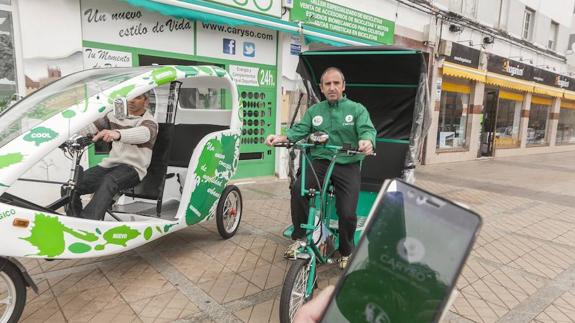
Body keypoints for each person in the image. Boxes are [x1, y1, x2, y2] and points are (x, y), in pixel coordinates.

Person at [265, 67, 376, 269]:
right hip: (320, 161)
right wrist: (282, 137)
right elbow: (299, 130)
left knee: (347, 213)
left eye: (336, 83)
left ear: (343, 86)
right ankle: (300, 239)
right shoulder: (315, 111)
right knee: (299, 191)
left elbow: (367, 130)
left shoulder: (356, 109)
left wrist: (366, 141)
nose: (332, 87)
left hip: (346, 163)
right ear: (322, 88)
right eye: (327, 84)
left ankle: (345, 251)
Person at [69, 92, 158, 220]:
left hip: (133, 169)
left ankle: (89, 221)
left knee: (109, 180)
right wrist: (68, 133)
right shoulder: (113, 116)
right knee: (72, 185)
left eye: (138, 98)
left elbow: (144, 134)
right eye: (129, 98)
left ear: (146, 101)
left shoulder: (149, 121)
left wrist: (117, 134)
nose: (132, 101)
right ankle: (74, 220)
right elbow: (90, 128)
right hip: (110, 165)